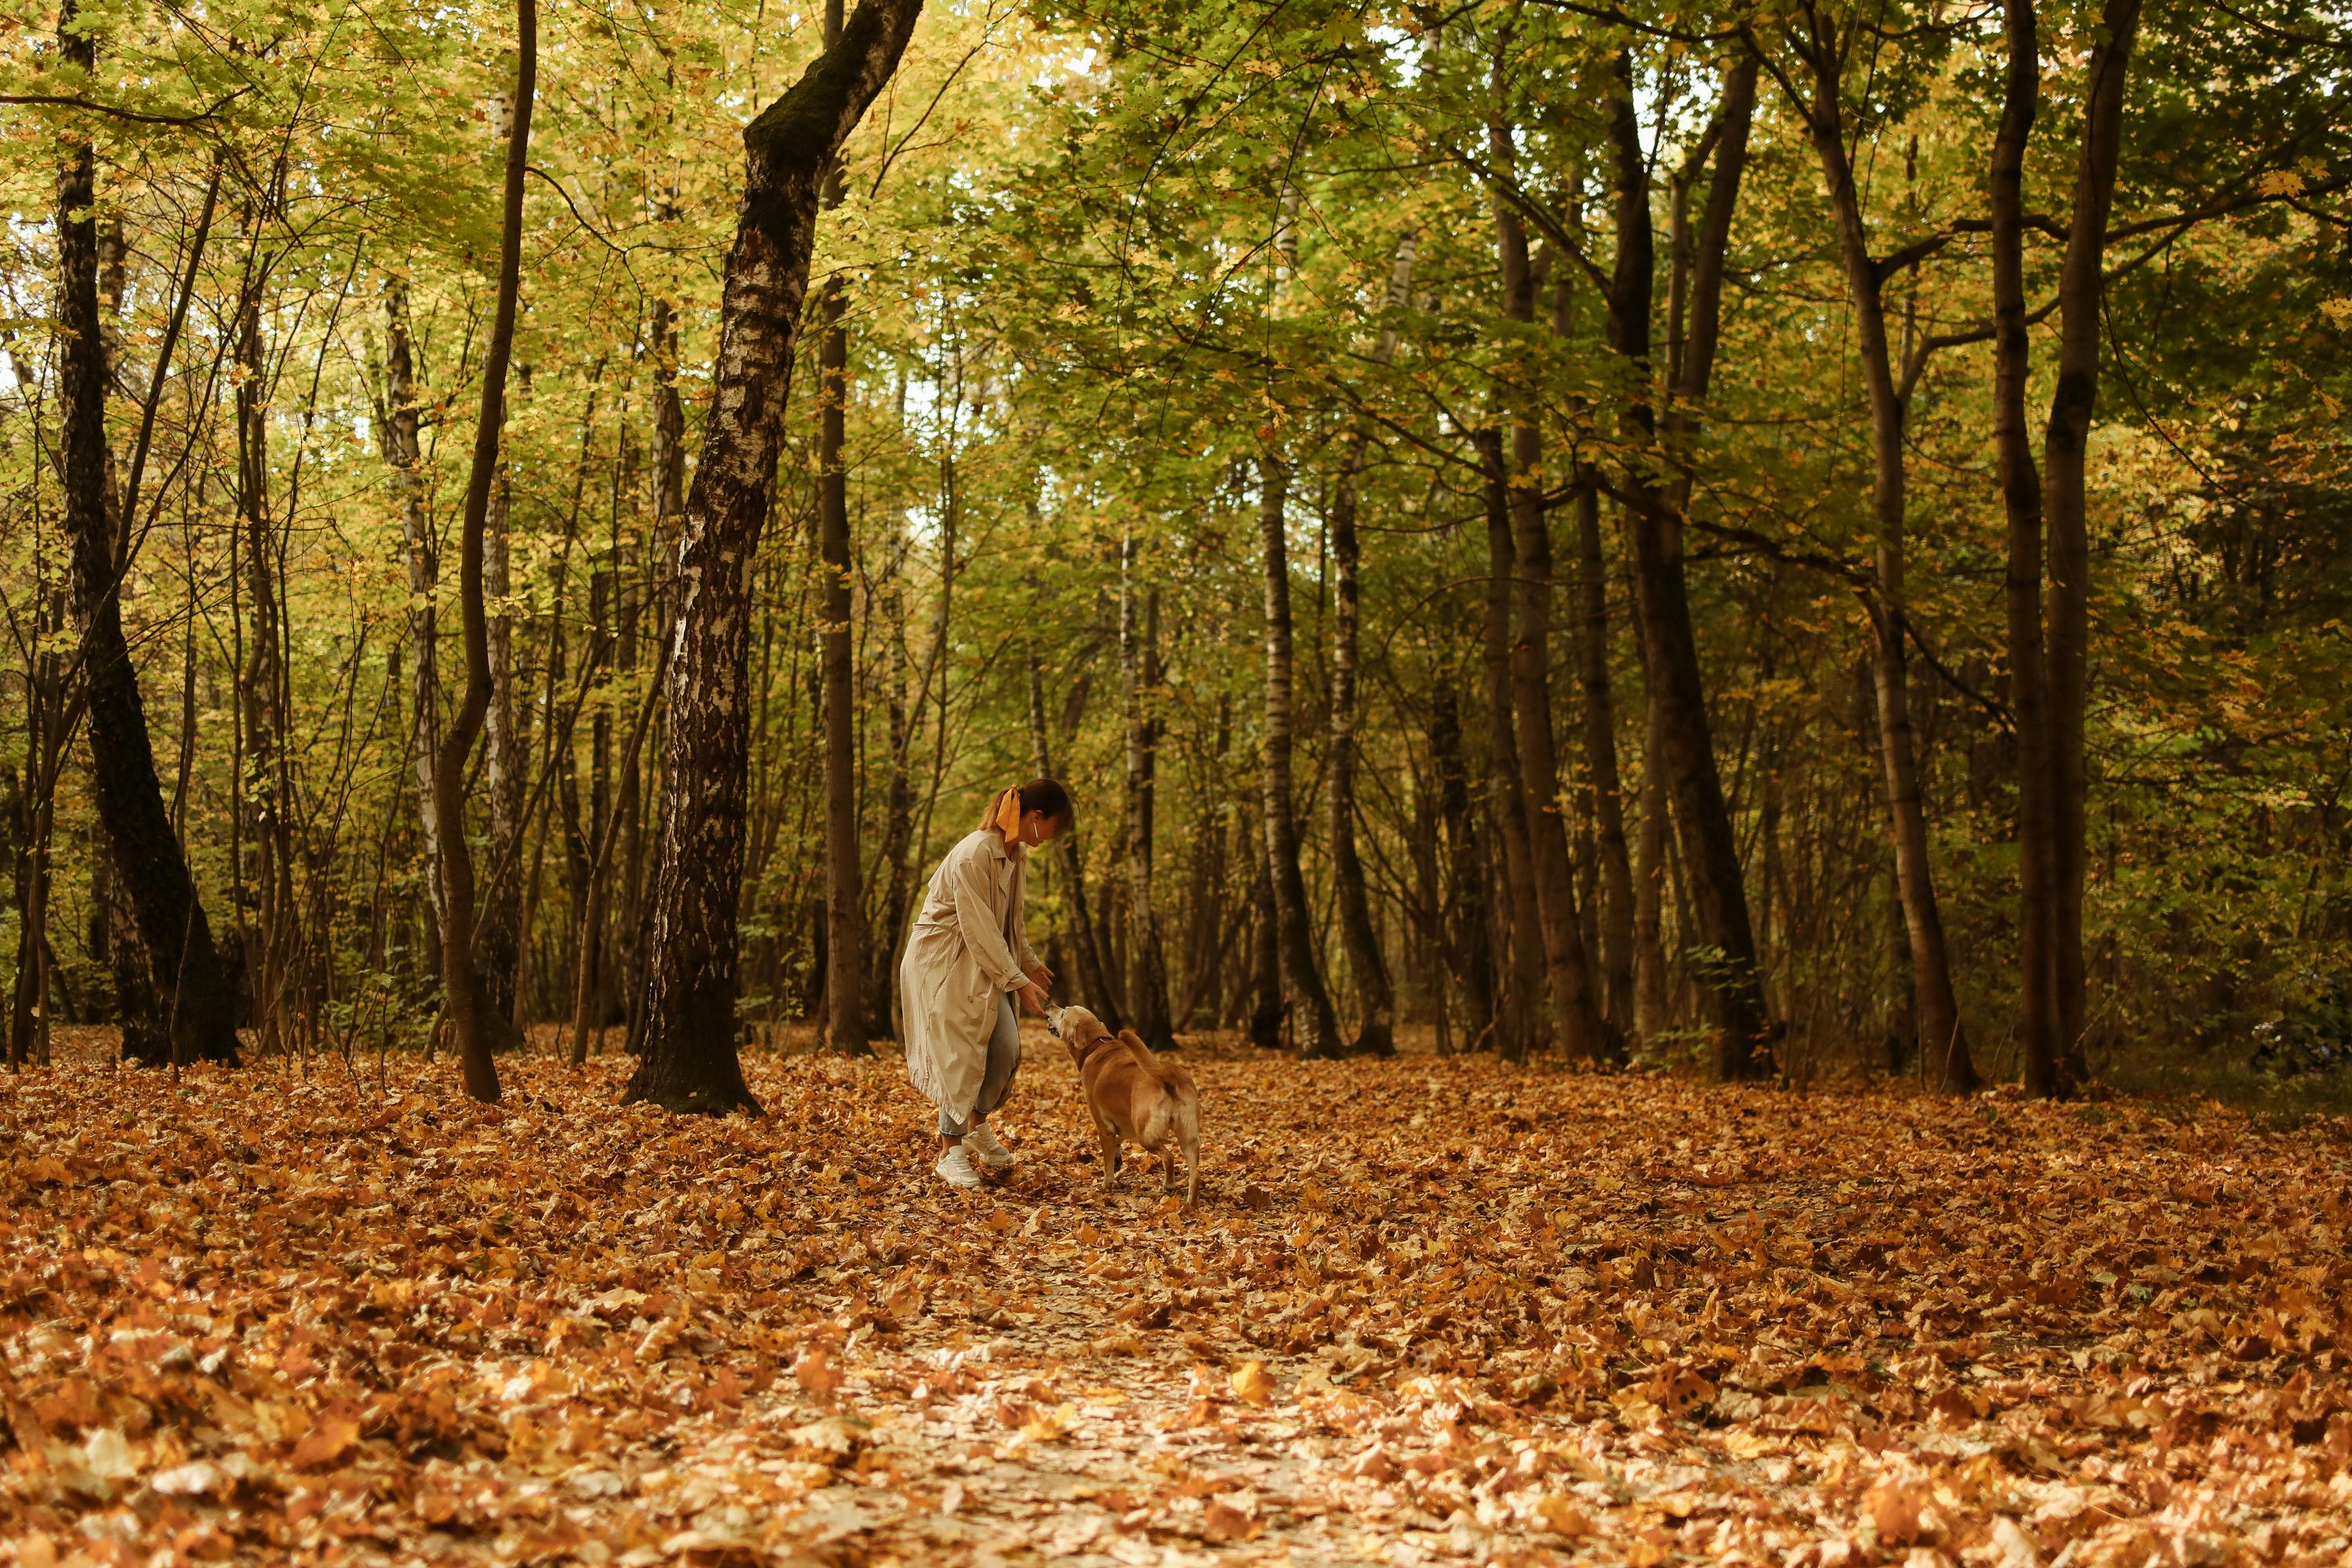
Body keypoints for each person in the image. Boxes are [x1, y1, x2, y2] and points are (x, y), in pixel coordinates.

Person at [900, 779, 1069, 1189]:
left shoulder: (1016, 855)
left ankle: (976, 1127)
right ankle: (950, 1152)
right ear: (1036, 816)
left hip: (983, 962)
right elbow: (978, 927)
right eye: (1054, 826)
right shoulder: (974, 852)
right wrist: (1016, 980)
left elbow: (1011, 923)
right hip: (944, 962)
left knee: (1005, 1048)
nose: (1053, 835)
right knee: (960, 1053)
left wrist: (1028, 964)